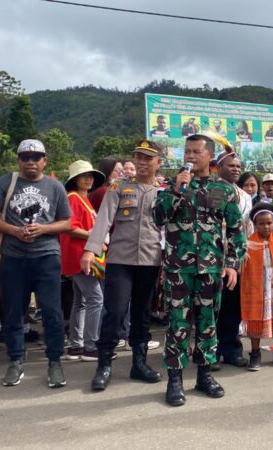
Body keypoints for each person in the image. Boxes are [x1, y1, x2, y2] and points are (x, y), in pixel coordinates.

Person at [153, 134, 247, 406]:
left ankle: (205, 375)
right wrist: (177, 192)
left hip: (211, 269)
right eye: (187, 152)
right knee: (178, 324)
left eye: (196, 152)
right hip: (178, 270)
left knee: (208, 323)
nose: (190, 157)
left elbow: (236, 231)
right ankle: (175, 379)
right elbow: (157, 217)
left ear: (209, 156)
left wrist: (231, 265)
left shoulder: (225, 189)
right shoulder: (172, 184)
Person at [0, 139, 72, 388]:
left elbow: (66, 222)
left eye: (36, 157)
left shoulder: (55, 187)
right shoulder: (4, 183)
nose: (31, 161)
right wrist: (14, 231)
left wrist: (43, 228)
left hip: (47, 256)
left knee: (53, 313)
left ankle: (55, 362)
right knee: (14, 312)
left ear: (45, 160)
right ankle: (15, 362)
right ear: (18, 160)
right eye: (25, 157)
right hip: (14, 257)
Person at [81, 140, 165, 391]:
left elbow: (167, 227)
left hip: (150, 260)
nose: (141, 162)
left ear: (158, 163)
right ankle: (104, 365)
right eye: (138, 157)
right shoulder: (118, 187)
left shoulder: (164, 191)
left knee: (141, 314)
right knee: (115, 311)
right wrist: (90, 251)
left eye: (147, 158)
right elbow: (103, 220)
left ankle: (139, 363)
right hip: (120, 259)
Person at [60, 161, 105, 361]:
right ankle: (91, 345)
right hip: (79, 257)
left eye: (91, 175)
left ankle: (77, 345)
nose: (88, 178)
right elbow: (69, 227)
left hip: (78, 256)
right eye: (83, 175)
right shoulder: (74, 198)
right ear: (74, 179)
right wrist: (93, 237)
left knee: (81, 301)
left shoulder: (83, 199)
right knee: (95, 299)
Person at [212, 150, 254, 369]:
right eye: (231, 165)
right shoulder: (209, 190)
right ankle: (209, 351)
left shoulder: (246, 197)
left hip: (236, 257)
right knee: (211, 306)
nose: (236, 169)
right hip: (211, 256)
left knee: (232, 305)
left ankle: (230, 349)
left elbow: (248, 228)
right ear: (218, 167)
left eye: (238, 166)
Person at [240, 203, 273, 371]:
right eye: (261, 223)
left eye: (269, 223)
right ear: (255, 225)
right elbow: (244, 270)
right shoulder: (248, 243)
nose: (266, 226)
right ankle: (255, 354)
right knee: (256, 320)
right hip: (257, 289)